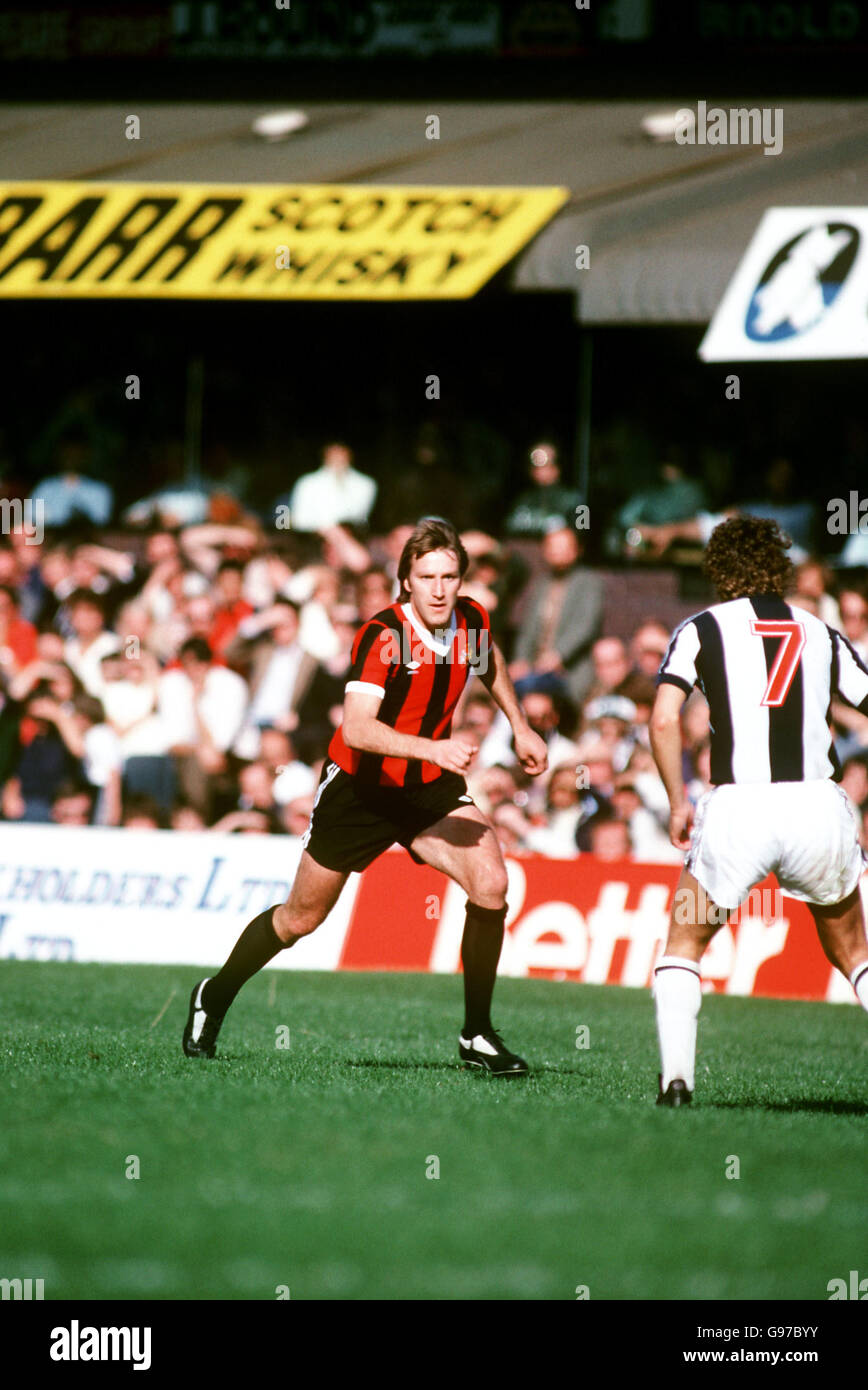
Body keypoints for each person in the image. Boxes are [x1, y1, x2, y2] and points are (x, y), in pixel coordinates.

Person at [183, 517, 548, 1075]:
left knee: (492, 882)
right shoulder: (385, 636)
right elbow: (357, 729)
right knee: (300, 919)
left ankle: (477, 1035)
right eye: (426, 576)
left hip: (427, 786)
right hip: (362, 789)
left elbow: (490, 659)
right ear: (405, 580)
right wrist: (432, 749)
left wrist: (519, 725)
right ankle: (216, 992)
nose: (439, 588)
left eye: (450, 576)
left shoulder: (471, 619)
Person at [649, 517, 868, 1107]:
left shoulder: (701, 629)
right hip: (815, 808)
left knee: (683, 945)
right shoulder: (820, 631)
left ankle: (677, 1082)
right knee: (855, 954)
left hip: (738, 811)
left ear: (718, 571)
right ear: (781, 568)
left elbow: (665, 718)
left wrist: (675, 801)